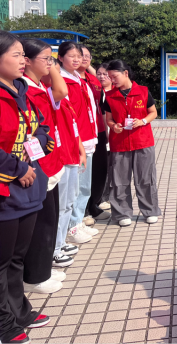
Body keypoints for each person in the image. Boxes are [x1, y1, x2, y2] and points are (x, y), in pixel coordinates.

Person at [0, 30, 53, 344]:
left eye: (23, 55)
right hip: (6, 190)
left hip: (29, 187)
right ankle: (4, 324)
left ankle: (20, 311)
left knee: (18, 257)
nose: (23, 61)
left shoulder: (22, 90)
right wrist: (18, 169)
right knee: (1, 261)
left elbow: (41, 125)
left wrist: (39, 142)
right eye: (17, 55)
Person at [21, 39, 69, 294]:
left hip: (50, 158)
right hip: (38, 164)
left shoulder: (39, 86)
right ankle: (36, 277)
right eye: (46, 59)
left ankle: (44, 269)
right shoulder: (25, 89)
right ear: (27, 61)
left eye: (52, 58)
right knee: (41, 223)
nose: (51, 64)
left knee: (50, 218)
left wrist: (50, 66)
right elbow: (62, 91)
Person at [104, 60, 161, 226]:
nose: (112, 80)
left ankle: (150, 210)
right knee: (119, 180)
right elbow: (109, 119)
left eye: (114, 76)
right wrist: (113, 126)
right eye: (109, 77)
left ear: (125, 73)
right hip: (119, 143)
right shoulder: (110, 96)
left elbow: (153, 112)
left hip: (143, 141)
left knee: (146, 178)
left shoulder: (143, 91)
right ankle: (122, 214)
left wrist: (142, 121)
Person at [58, 42, 97, 244]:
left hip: (87, 138)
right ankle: (72, 227)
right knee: (75, 188)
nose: (77, 59)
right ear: (60, 57)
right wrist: (80, 140)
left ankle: (78, 221)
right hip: (77, 141)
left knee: (84, 186)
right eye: (71, 55)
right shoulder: (63, 81)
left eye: (79, 56)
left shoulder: (78, 79)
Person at [77, 45, 109, 224]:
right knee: (82, 173)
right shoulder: (69, 79)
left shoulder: (93, 79)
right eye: (80, 55)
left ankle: (93, 205)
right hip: (81, 133)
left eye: (87, 56)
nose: (84, 58)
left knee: (99, 170)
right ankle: (81, 212)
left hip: (98, 130)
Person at [95, 63, 112, 211]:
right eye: (99, 74)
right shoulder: (97, 92)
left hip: (115, 135)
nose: (101, 77)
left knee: (112, 168)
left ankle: (108, 196)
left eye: (105, 74)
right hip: (101, 134)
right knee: (102, 168)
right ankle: (101, 198)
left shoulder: (116, 92)